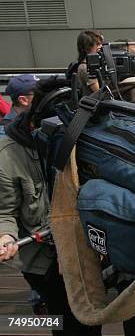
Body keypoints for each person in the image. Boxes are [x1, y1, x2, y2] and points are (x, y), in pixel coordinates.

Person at [0, 77, 103, 336]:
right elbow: (4, 210)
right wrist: (5, 235)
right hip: (43, 261)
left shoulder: (84, 136)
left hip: (85, 253)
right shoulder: (8, 155)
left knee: (91, 318)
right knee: (65, 322)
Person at [75, 29, 103, 96]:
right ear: (87, 47)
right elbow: (100, 91)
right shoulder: (85, 67)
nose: (100, 46)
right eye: (98, 44)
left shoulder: (96, 63)